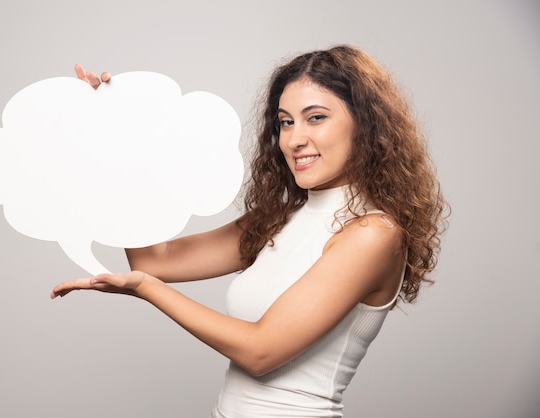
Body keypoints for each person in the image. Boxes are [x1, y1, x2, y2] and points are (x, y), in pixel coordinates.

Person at [52, 45, 449, 417]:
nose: (295, 139)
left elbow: (261, 352)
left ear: (366, 125)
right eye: (285, 122)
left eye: (316, 118)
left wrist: (145, 289)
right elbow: (154, 260)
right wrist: (113, 143)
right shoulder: (281, 216)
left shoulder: (373, 234)